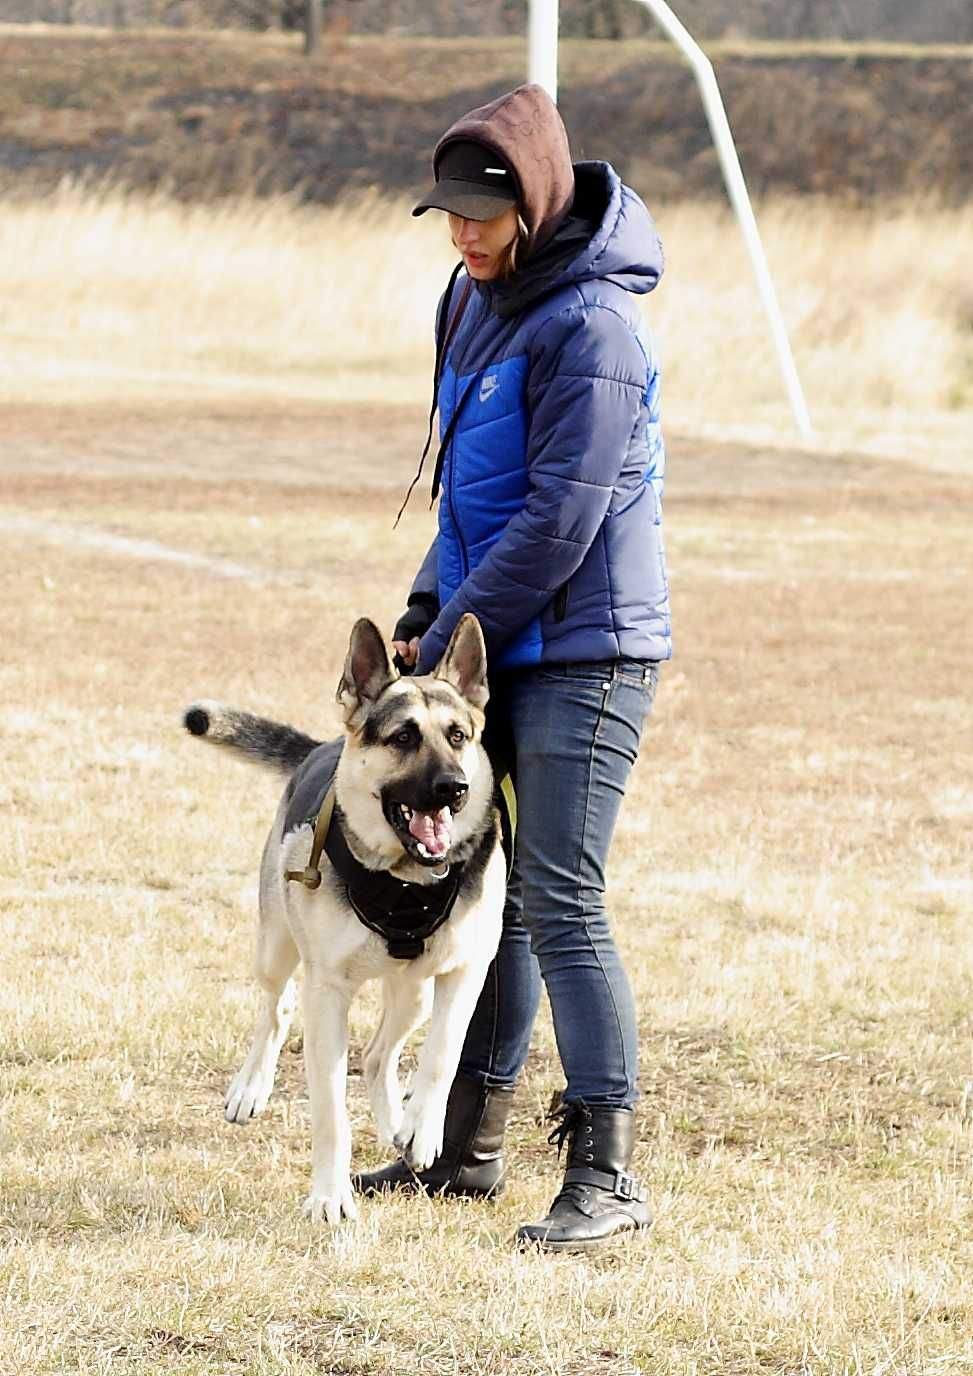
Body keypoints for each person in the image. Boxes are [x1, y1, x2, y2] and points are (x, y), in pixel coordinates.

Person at [354, 83, 670, 1252]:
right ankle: (466, 1146)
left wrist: (456, 637)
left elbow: (560, 519)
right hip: (501, 634)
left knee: (561, 896)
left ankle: (608, 1171)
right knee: (500, 895)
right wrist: (425, 606)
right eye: (449, 217)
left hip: (588, 646)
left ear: (533, 203)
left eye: (483, 217)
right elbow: (468, 496)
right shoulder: (471, 300)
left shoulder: (594, 327)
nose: (464, 236)